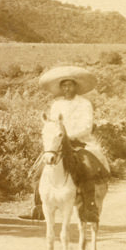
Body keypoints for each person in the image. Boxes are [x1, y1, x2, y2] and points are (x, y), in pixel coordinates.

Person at [20, 65, 110, 221]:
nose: (67, 88)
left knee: (88, 169)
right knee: (38, 171)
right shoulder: (57, 104)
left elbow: (87, 126)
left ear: (76, 86)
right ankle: (38, 207)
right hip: (59, 144)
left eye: (70, 85)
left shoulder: (84, 104)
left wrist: (70, 136)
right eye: (64, 85)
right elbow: (53, 124)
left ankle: (90, 208)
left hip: (80, 143)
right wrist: (55, 137)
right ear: (61, 88)